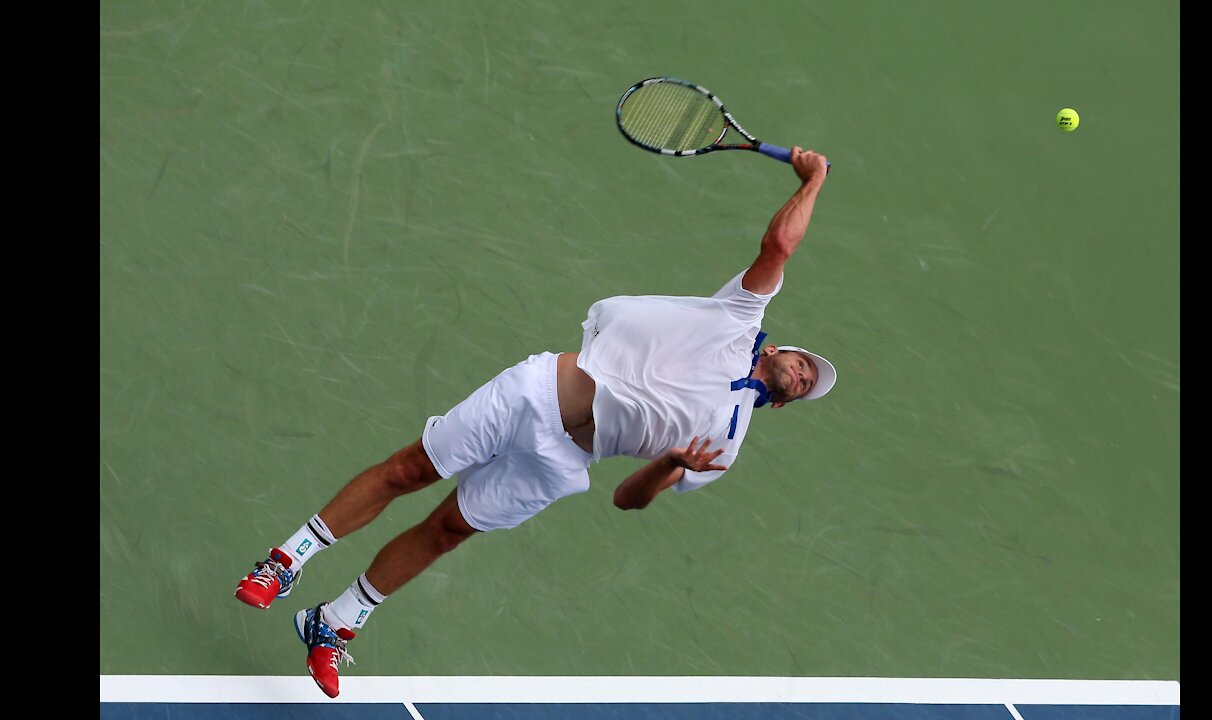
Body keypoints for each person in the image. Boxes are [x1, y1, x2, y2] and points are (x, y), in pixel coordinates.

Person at [234, 146, 835, 698]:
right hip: (536, 393)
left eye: (808, 386)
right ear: (780, 348)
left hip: (565, 463)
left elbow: (628, 500)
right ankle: (283, 562)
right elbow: (779, 245)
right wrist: (814, 180)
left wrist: (672, 465)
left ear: (783, 403)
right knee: (409, 470)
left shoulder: (724, 445)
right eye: (805, 362)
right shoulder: (737, 315)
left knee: (449, 530)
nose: (804, 375)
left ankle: (334, 623)